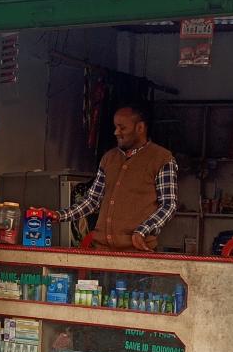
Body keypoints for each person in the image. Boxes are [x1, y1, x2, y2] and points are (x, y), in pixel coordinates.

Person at [59, 104, 177, 251]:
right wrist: (59, 216)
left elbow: (168, 205)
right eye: (115, 127)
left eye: (122, 128)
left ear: (140, 128)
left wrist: (143, 230)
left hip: (136, 252)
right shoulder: (109, 158)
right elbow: (92, 200)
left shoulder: (162, 159)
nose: (116, 132)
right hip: (102, 250)